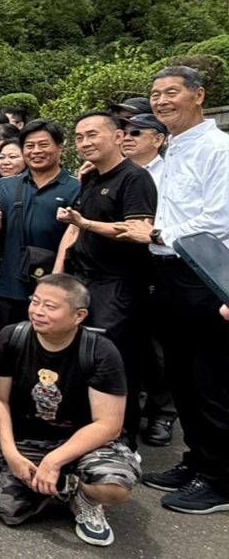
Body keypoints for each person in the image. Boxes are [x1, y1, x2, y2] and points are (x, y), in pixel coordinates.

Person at [112, 66, 229, 514]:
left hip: (203, 273)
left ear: (199, 96)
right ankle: (199, 460)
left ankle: (220, 478)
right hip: (168, 275)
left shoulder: (217, 149)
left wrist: (156, 234)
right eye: (156, 94)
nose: (161, 101)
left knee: (209, 379)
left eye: (171, 93)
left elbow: (217, 220)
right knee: (180, 376)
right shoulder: (173, 150)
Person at [0, 275, 138, 547]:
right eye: (35, 302)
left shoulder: (100, 351)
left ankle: (86, 498)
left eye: (50, 307)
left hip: (86, 443)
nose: (38, 311)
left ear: (79, 315)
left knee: (114, 486)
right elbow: (0, 400)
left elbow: (108, 425)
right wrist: (11, 454)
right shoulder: (12, 338)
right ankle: (67, 487)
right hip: (30, 439)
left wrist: (54, 461)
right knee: (9, 508)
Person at [52, 111, 157, 449]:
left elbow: (139, 230)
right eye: (80, 137)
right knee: (84, 359)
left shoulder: (134, 178)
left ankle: (121, 441)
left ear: (117, 137)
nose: (85, 142)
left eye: (93, 134)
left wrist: (88, 225)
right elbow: (75, 226)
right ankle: (91, 431)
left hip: (119, 286)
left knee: (116, 362)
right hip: (83, 280)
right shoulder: (92, 178)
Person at [0, 120, 79, 330]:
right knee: (11, 344)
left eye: (43, 145)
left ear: (60, 149)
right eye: (29, 146)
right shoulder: (6, 186)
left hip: (57, 288)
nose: (36, 151)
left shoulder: (76, 187)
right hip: (9, 286)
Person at [118, 111, 174, 447]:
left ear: (159, 139)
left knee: (159, 346)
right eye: (124, 131)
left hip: (162, 265)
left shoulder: (168, 174)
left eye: (137, 132)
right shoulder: (111, 173)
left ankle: (163, 413)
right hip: (121, 269)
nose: (128, 137)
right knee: (131, 344)